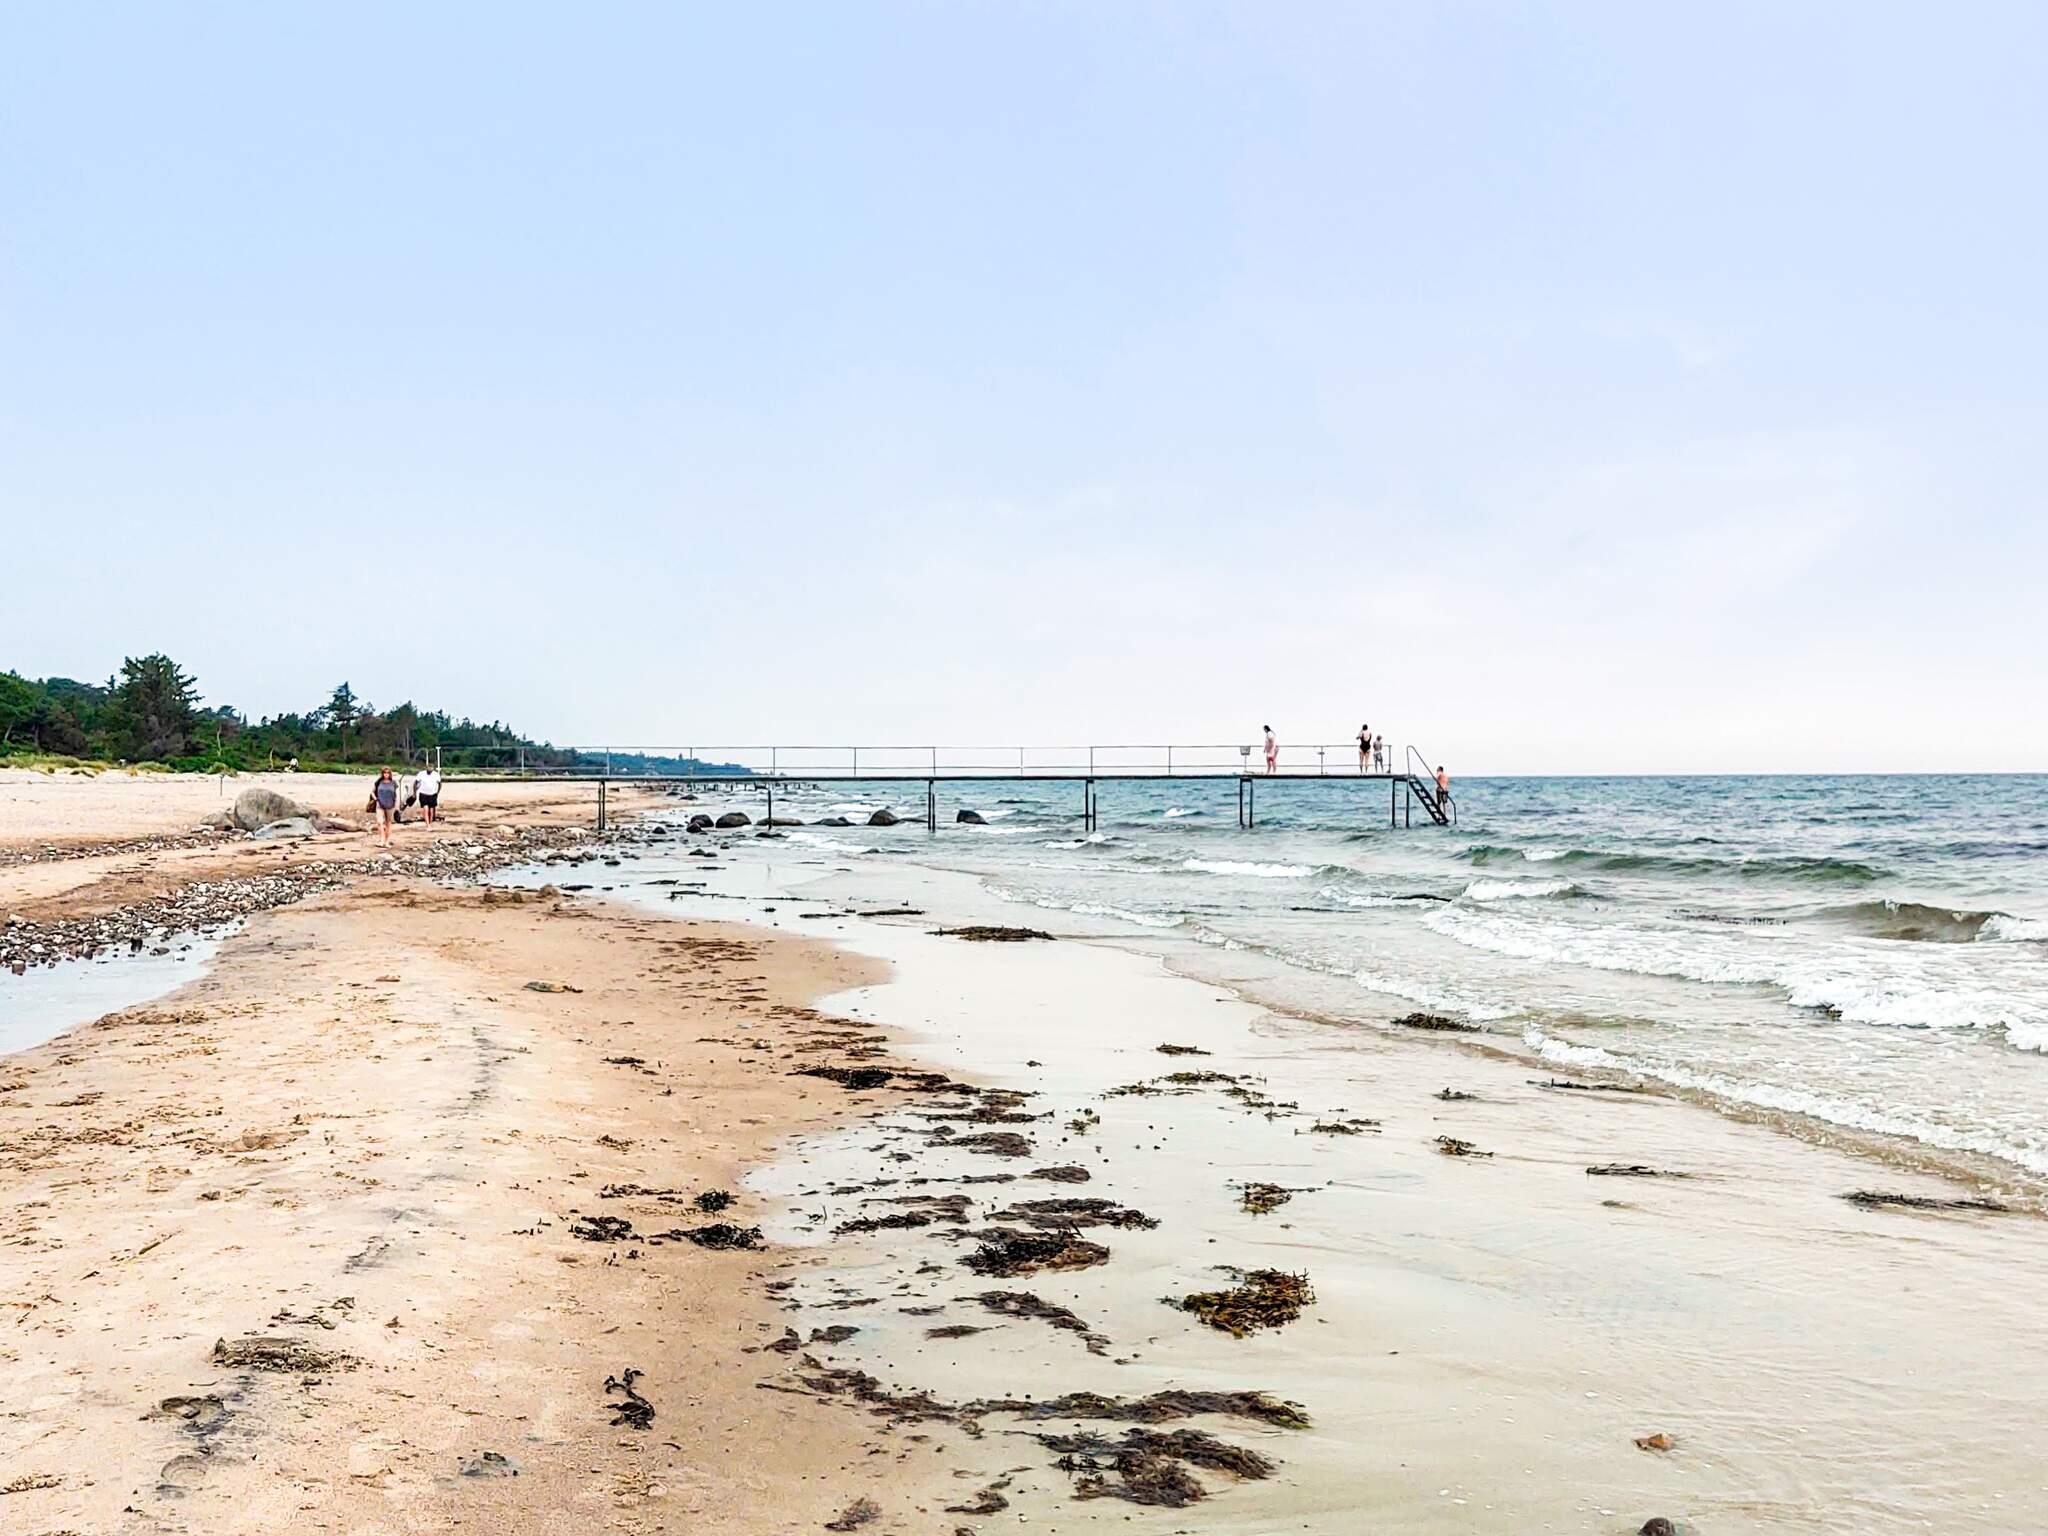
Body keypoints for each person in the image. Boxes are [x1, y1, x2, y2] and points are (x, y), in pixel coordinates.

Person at [369, 767, 399, 847]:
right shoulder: (378, 782)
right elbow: (372, 792)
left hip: (390, 805)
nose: (386, 774)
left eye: (388, 773)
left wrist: (397, 806)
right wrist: (376, 799)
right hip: (380, 804)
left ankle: (387, 841)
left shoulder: (393, 783)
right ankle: (382, 840)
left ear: (390, 774)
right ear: (382, 774)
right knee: (380, 822)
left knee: (388, 823)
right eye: (385, 773)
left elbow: (395, 795)